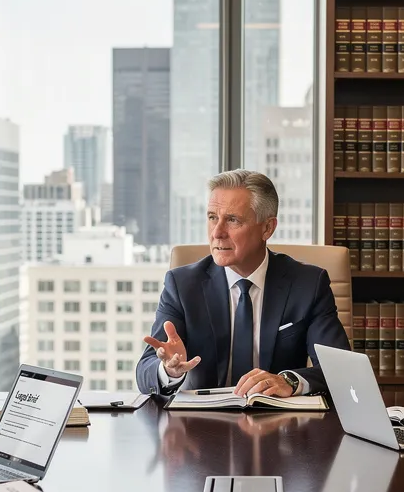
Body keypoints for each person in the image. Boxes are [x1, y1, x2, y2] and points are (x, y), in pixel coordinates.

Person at [136, 169, 350, 397]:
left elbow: (340, 371)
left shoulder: (308, 285)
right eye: (212, 217)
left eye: (232, 220)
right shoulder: (182, 285)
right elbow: (145, 371)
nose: (217, 233)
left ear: (267, 228)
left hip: (277, 415)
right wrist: (169, 371)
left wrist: (289, 381)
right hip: (203, 416)